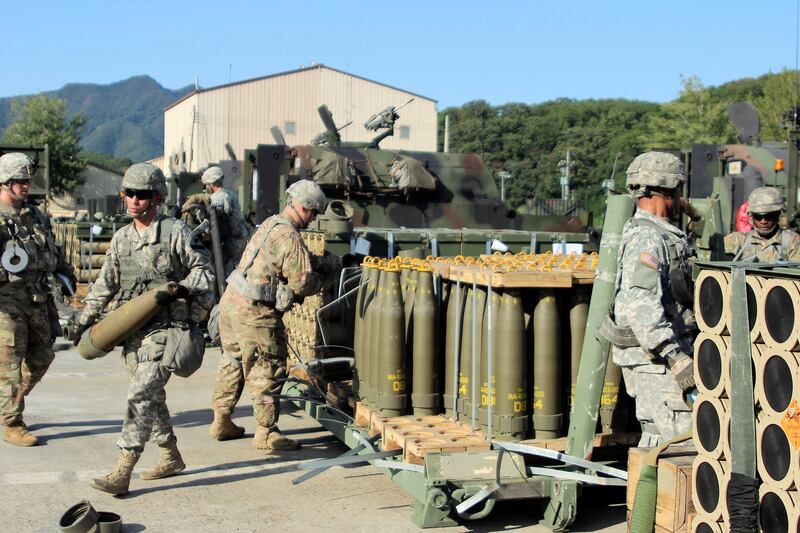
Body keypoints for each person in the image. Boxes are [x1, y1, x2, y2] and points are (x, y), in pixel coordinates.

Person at [74, 163, 214, 495]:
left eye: (142, 195)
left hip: (167, 330)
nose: (134, 200)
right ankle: (170, 456)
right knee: (152, 395)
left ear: (156, 198)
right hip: (132, 333)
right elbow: (105, 285)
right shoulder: (122, 238)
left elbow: (205, 274)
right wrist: (82, 322)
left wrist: (179, 293)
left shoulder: (175, 232)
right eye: (129, 194)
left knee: (140, 394)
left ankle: (122, 470)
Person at [210, 180, 339, 450]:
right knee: (267, 367)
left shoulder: (271, 224)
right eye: (313, 212)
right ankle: (267, 432)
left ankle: (221, 418)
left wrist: (323, 263)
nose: (313, 218)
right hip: (254, 312)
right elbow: (302, 282)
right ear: (303, 207)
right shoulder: (290, 236)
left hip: (232, 303)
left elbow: (288, 260)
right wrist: (324, 281)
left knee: (232, 360)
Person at [599, 151, 696, 447]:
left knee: (660, 440)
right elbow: (641, 308)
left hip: (659, 358)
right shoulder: (648, 237)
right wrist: (675, 358)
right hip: (657, 362)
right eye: (678, 189)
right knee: (676, 444)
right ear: (666, 189)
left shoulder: (664, 235)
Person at [0, 153, 75, 447]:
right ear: (5, 181)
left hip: (37, 299)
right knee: (9, 365)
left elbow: (53, 251)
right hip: (6, 303)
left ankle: (6, 404)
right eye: (20, 180)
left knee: (42, 356)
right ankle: (13, 422)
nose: (25, 185)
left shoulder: (36, 216)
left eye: (28, 179)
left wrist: (67, 276)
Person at [185, 166, 250, 279]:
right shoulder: (229, 193)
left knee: (217, 266)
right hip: (239, 238)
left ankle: (222, 293)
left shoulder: (221, 196)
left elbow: (213, 212)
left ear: (210, 184)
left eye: (206, 185)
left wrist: (195, 228)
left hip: (234, 240)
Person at [724, 187, 800, 262]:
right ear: (751, 217)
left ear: (778, 215)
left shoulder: (793, 241)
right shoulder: (738, 239)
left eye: (768, 216)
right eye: (758, 217)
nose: (763, 221)